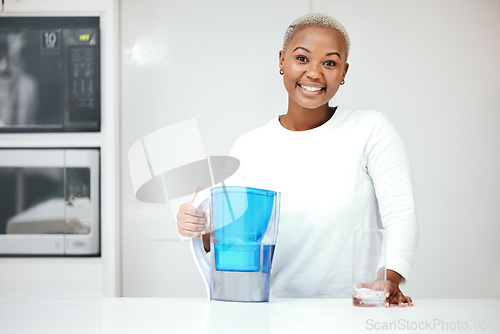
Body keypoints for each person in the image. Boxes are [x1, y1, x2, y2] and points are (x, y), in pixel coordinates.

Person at [176, 13, 418, 307]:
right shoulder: (251, 146)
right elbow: (233, 238)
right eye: (302, 58)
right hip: (273, 314)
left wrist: (388, 280)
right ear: (281, 61)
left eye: (329, 62)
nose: (314, 73)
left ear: (344, 71)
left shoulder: (371, 129)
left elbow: (400, 214)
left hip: (354, 311)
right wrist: (200, 222)